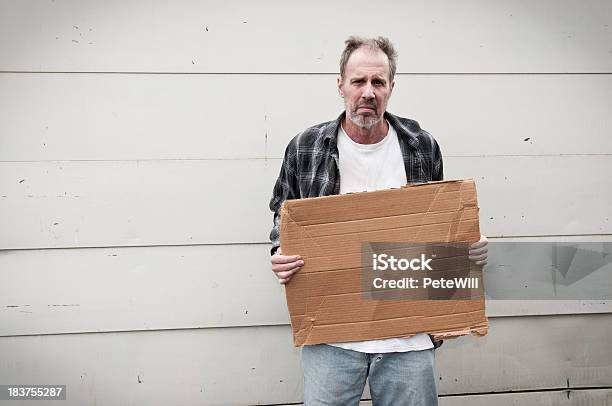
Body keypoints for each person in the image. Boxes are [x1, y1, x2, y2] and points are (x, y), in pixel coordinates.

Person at [269, 36, 488, 406]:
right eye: (358, 81)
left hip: (408, 337)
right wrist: (279, 253)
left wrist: (468, 247)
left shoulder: (421, 146)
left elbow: (439, 226)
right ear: (340, 84)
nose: (368, 92)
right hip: (331, 336)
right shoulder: (305, 146)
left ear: (391, 87)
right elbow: (282, 212)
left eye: (378, 82)